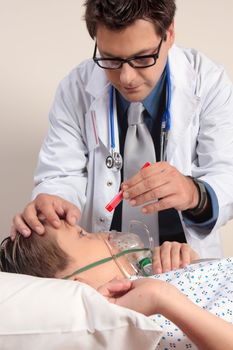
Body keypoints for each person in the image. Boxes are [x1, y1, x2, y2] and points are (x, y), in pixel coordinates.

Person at [11, 0, 233, 258]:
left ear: (169, 33)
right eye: (111, 59)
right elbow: (61, 177)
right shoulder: (75, 89)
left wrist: (194, 193)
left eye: (142, 58)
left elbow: (226, 174)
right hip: (104, 262)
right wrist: (54, 202)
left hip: (181, 260)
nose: (126, 78)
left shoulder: (208, 82)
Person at [1, 221, 233, 350]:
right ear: (78, 283)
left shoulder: (152, 279)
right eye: (83, 234)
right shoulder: (134, 321)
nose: (105, 234)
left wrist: (192, 264)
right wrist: (162, 297)